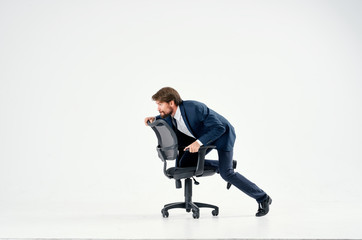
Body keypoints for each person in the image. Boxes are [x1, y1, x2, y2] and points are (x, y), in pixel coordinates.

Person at [144, 87, 272, 217]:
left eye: (160, 104)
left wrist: (198, 143)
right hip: (204, 136)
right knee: (184, 163)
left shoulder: (194, 108)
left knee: (226, 174)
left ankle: (262, 197)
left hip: (222, 135)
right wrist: (155, 119)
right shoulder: (172, 115)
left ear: (171, 103)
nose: (158, 108)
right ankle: (223, 165)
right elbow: (164, 116)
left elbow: (219, 128)